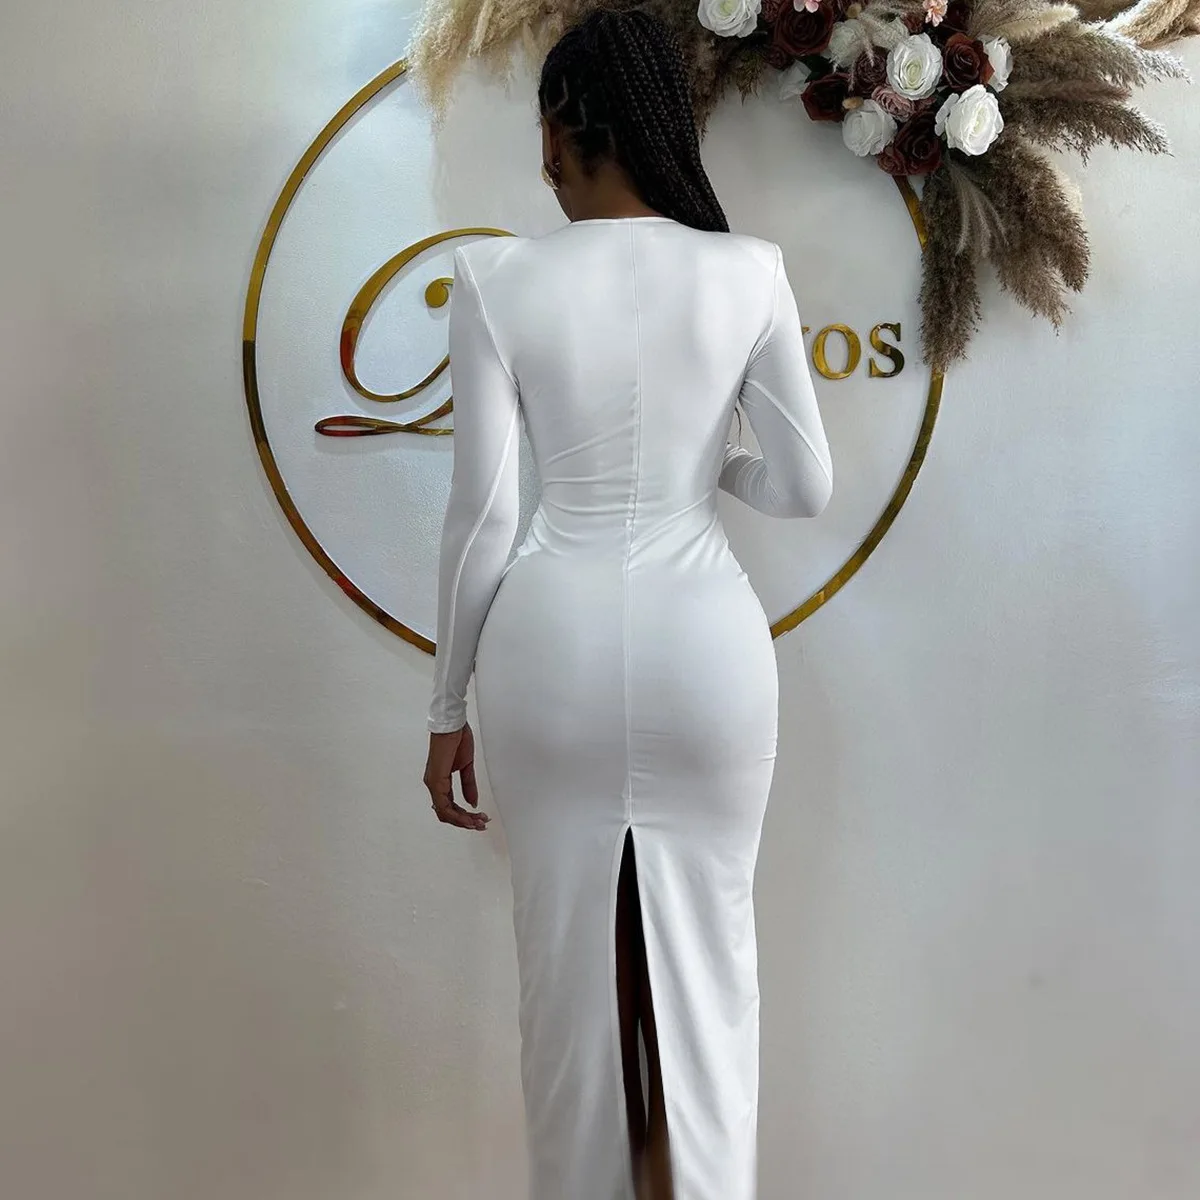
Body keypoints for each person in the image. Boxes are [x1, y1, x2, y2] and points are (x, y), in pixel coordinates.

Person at [422, 10, 832, 1199]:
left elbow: (486, 518)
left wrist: (445, 710)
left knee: (566, 990)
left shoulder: (496, 277)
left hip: (547, 656)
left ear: (561, 128)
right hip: (707, 659)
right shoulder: (749, 272)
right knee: (710, 981)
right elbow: (805, 485)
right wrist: (711, 469)